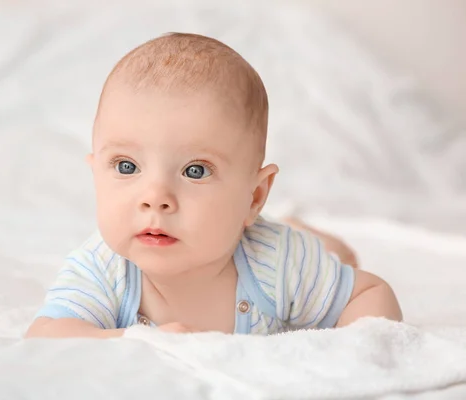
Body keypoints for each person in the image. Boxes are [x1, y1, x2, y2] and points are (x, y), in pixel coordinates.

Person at [25, 33, 402, 338]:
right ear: (95, 175)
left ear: (254, 196)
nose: (155, 198)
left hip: (292, 248)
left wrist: (353, 352)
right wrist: (132, 341)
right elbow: (47, 334)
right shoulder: (103, 269)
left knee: (336, 259)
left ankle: (311, 233)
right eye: (127, 165)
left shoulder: (279, 262)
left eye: (195, 171)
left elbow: (370, 293)